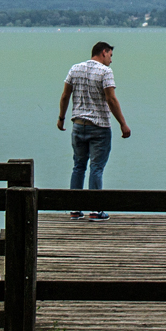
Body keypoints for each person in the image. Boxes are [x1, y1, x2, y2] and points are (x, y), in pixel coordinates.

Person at [58, 41, 130, 220]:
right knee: (96, 168)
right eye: (111, 56)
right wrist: (122, 123)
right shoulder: (105, 72)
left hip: (78, 125)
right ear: (104, 52)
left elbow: (66, 95)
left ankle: (75, 209)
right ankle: (96, 210)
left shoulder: (75, 69)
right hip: (99, 127)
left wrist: (61, 118)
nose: (111, 61)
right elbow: (111, 99)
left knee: (78, 166)